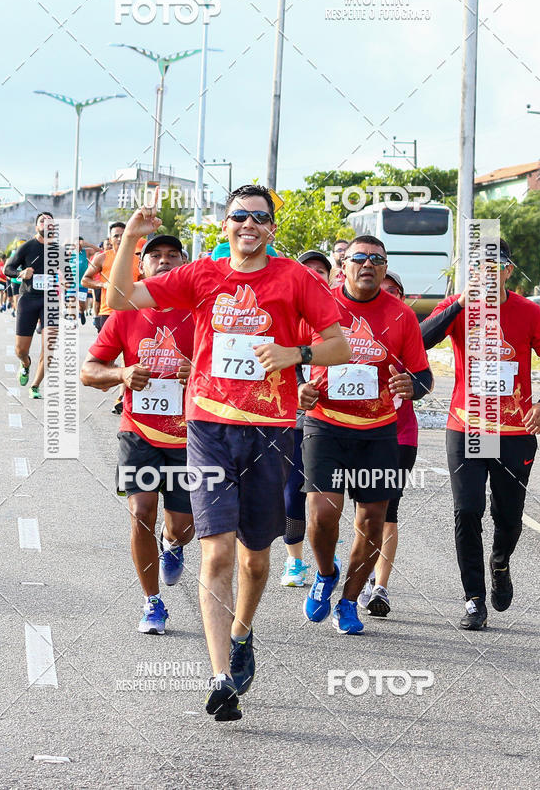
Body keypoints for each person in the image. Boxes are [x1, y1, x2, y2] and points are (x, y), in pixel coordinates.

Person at [107, 185, 350, 722]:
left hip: (269, 430)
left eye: (259, 217)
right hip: (209, 427)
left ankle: (242, 635)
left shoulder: (296, 279)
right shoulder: (201, 276)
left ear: (271, 228)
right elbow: (120, 298)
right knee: (216, 553)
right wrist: (132, 239)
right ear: (226, 225)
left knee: (255, 560)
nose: (248, 224)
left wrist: (294, 353)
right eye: (239, 215)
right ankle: (220, 677)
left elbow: (340, 345)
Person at [420, 239, 540, 630]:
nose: (485, 274)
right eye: (477, 266)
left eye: (494, 266)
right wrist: (459, 304)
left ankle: (500, 563)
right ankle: (474, 599)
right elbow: (419, 340)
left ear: (507, 270)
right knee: (468, 509)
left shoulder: (528, 311)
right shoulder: (457, 306)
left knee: (509, 517)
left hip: (514, 431)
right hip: (468, 427)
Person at [299, 236, 432, 635]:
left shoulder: (401, 315)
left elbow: (423, 375)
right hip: (325, 423)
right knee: (322, 514)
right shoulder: (319, 305)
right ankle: (326, 573)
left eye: (377, 259)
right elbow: (287, 354)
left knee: (373, 521)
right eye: (359, 257)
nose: (368, 264)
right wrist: (298, 387)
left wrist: (413, 386)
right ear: (344, 266)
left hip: (378, 431)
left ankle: (349, 601)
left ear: (385, 267)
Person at [81, 234, 195, 635]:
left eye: (172, 255)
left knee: (182, 527)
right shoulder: (126, 314)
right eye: (155, 256)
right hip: (139, 432)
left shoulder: (201, 312)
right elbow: (89, 371)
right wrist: (122, 373)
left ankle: (173, 544)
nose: (164, 261)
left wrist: (198, 371)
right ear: (141, 268)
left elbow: (233, 372)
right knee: (141, 512)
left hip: (189, 438)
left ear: (183, 265)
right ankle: (152, 602)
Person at [357, 270, 422, 617]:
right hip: (360, 432)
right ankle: (364, 577)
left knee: (388, 511)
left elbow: (425, 377)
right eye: (382, 290)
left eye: (394, 291)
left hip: (400, 435)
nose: (387, 295)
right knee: (365, 513)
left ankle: (380, 587)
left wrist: (413, 385)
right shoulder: (353, 332)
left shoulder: (406, 331)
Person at [280, 250, 332, 588]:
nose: (314, 274)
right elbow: (286, 359)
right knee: (294, 490)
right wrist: (299, 385)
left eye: (321, 270)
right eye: (307, 269)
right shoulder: (288, 313)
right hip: (299, 415)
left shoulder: (342, 312)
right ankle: (294, 560)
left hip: (343, 420)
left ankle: (327, 552)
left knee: (330, 495)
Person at [3, 212, 55, 399]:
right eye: (42, 221)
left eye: (50, 222)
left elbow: (68, 274)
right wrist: (21, 273)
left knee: (49, 346)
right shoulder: (27, 247)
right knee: (21, 350)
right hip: (28, 299)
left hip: (50, 301)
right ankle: (25, 364)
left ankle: (35, 385)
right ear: (37, 226)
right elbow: (7, 269)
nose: (46, 224)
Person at [81, 223, 137, 333]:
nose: (120, 239)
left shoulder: (138, 260)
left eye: (123, 235)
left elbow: (147, 282)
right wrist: (103, 285)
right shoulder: (102, 258)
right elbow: (85, 280)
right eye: (116, 236)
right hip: (108, 312)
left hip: (132, 312)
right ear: (110, 240)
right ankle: (94, 317)